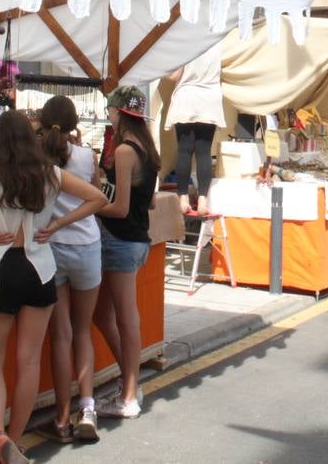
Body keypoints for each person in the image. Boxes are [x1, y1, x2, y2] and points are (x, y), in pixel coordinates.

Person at [0, 111, 106, 464]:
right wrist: (59, 222)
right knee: (28, 361)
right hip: (41, 267)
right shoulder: (50, 174)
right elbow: (98, 198)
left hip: (2, 266)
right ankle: (15, 441)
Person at [39, 96, 106, 443]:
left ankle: (62, 418)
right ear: (73, 125)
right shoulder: (85, 156)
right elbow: (95, 191)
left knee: (60, 335)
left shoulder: (37, 159)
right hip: (86, 245)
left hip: (51, 247)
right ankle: (88, 408)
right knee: (83, 332)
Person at [92, 86, 161, 419]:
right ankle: (130, 380)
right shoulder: (147, 150)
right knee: (105, 315)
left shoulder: (123, 152)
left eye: (111, 112)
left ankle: (129, 396)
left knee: (123, 317)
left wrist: (91, 203)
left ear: (119, 113)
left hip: (120, 240)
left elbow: (119, 209)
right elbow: (145, 201)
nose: (110, 116)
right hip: (137, 240)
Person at [163, 46, 225, 216]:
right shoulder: (217, 43)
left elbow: (173, 75)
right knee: (204, 153)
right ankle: (203, 200)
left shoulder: (187, 44)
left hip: (187, 97)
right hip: (210, 98)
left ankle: (183, 199)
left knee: (184, 151)